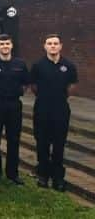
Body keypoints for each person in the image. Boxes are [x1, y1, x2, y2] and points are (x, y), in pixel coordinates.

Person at [30, 34, 78, 192]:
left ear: (60, 46)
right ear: (44, 46)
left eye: (55, 43)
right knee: (42, 142)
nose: (52, 46)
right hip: (42, 108)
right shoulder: (38, 65)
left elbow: (72, 85)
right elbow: (34, 86)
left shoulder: (69, 65)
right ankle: (43, 175)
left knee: (59, 144)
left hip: (61, 110)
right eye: (49, 43)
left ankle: (58, 177)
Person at [0, 34, 29, 185]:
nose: (5, 46)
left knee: (14, 140)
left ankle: (12, 174)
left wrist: (18, 92)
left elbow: (25, 83)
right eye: (2, 44)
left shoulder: (20, 64)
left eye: (7, 44)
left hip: (14, 105)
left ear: (12, 45)